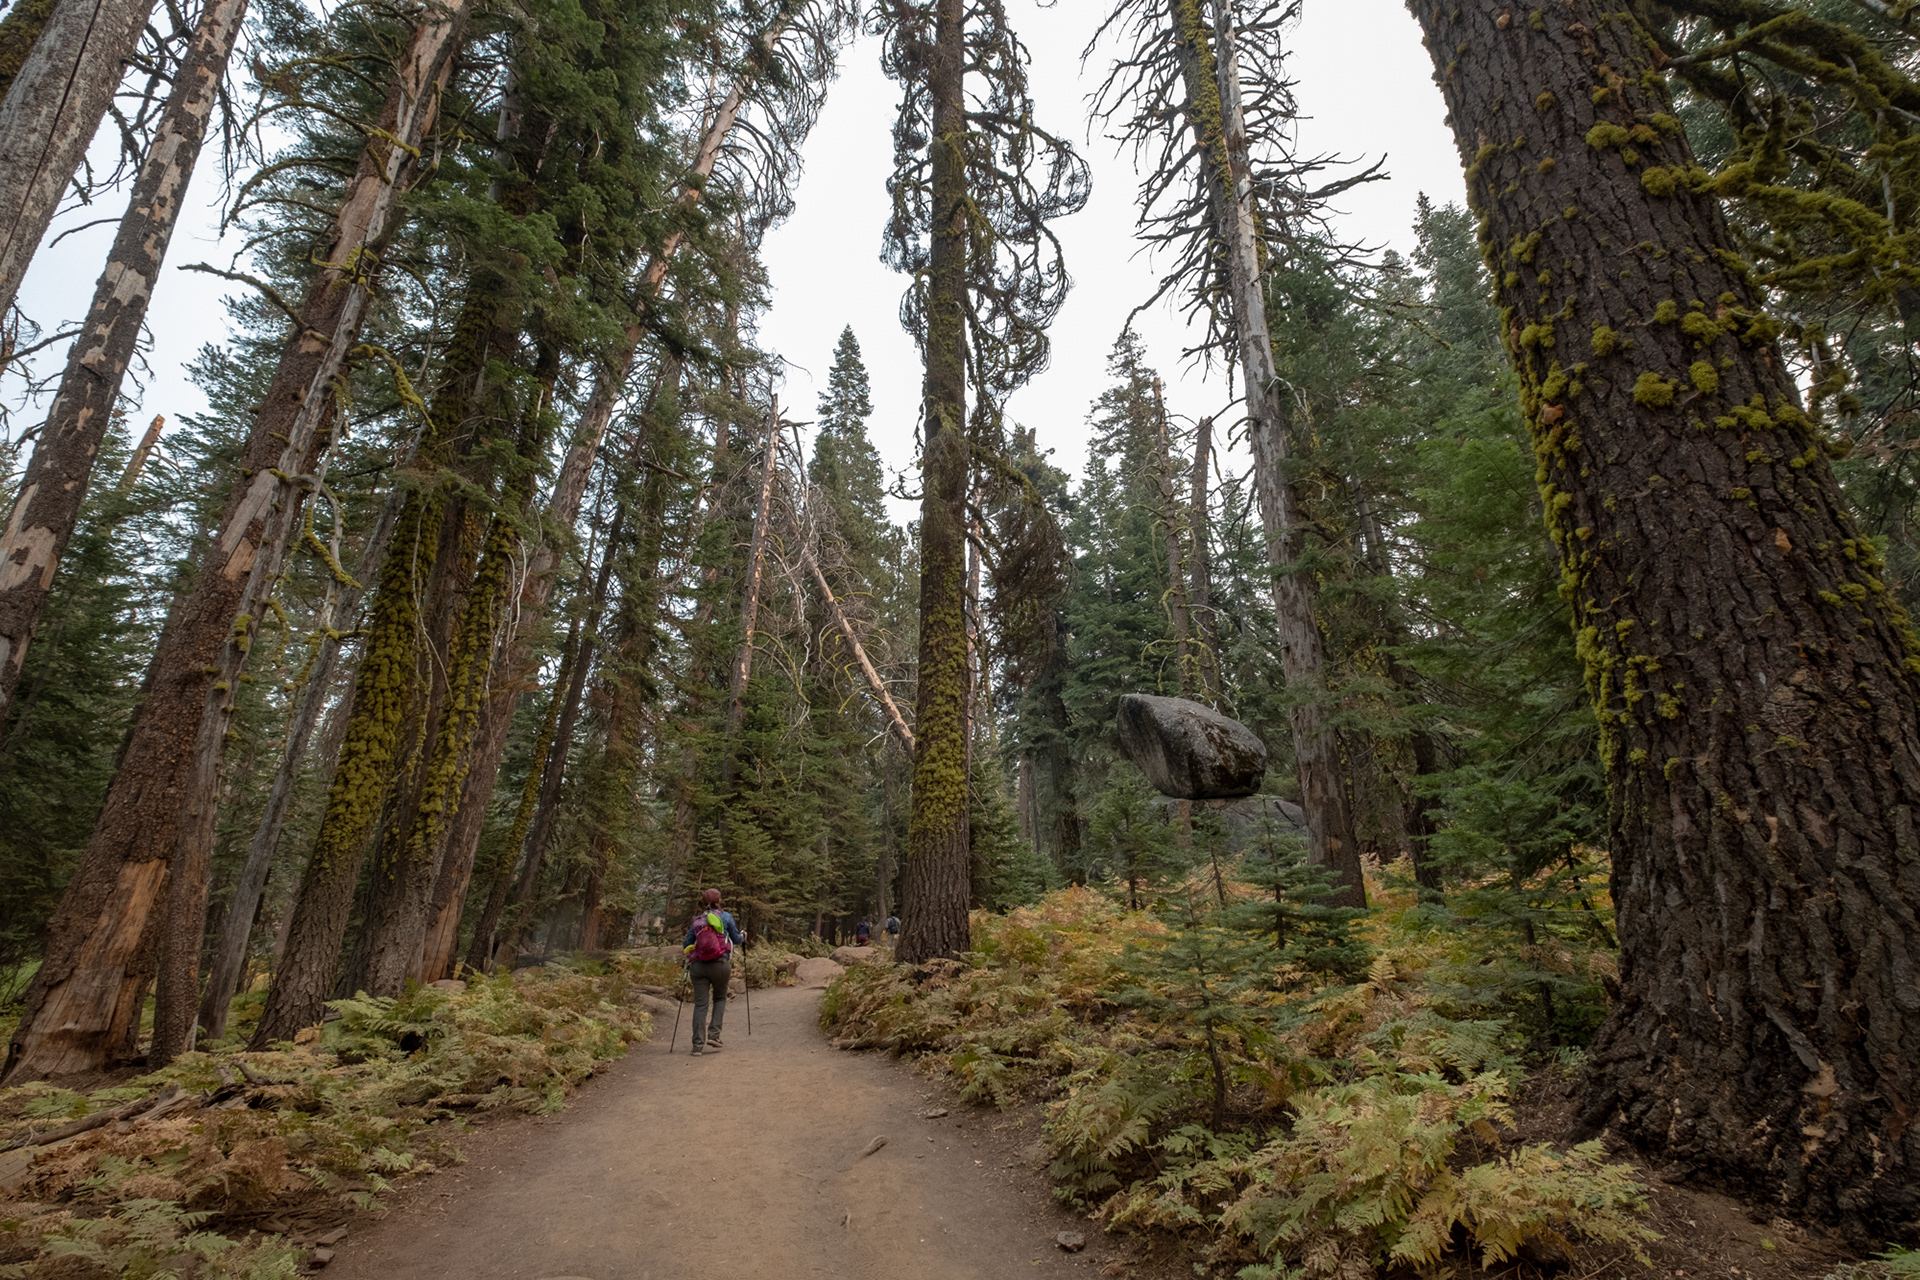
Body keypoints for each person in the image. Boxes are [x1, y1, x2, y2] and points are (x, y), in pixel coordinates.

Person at [682, 888, 744, 1055]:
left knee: (700, 1005)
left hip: (699, 966)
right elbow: (737, 939)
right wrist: (743, 936)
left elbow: (686, 944)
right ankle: (714, 1035)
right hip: (720, 964)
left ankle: (697, 1046)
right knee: (719, 998)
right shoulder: (725, 917)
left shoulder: (697, 920)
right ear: (719, 900)